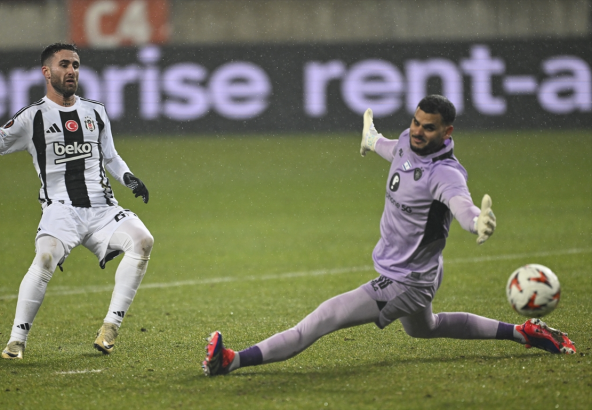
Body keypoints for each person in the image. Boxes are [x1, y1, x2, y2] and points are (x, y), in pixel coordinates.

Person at [202, 95, 576, 376]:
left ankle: (230, 361)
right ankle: (523, 333)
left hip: (405, 281)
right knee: (426, 328)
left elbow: (460, 204)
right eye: (415, 122)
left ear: (447, 132)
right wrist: (371, 138)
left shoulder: (445, 173)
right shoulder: (406, 142)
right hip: (423, 270)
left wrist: (477, 221)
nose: (418, 131)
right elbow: (393, 150)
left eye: (428, 127)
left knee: (321, 319)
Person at [0, 43, 154, 359]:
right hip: (60, 209)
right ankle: (16, 341)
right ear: (47, 72)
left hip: (102, 208)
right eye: (64, 65)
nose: (71, 71)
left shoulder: (95, 111)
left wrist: (129, 178)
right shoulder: (33, 117)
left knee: (143, 241)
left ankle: (110, 327)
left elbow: (110, 155)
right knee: (45, 259)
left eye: (76, 65)